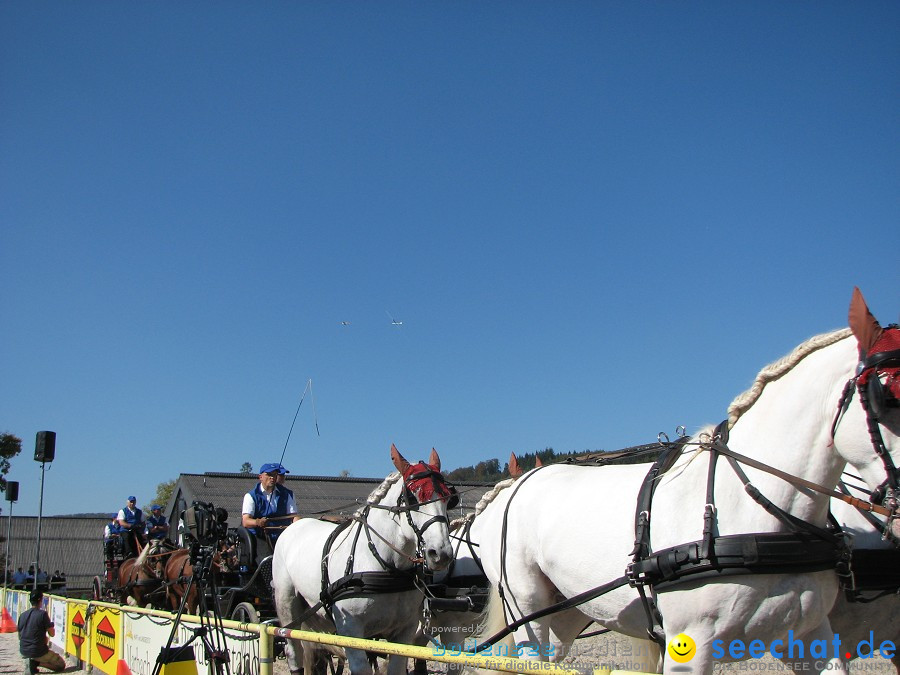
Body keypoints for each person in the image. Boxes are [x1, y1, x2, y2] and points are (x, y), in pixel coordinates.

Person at [241, 462, 299, 553]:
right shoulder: (250, 496)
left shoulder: (287, 494)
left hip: (282, 536)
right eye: (269, 475)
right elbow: (246, 521)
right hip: (260, 537)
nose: (272, 477)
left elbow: (293, 516)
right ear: (260, 477)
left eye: (275, 475)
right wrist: (258, 522)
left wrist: (301, 524)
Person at [17, 589, 67, 673]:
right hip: (38, 651)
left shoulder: (22, 615)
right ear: (41, 600)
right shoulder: (42, 614)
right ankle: (35, 663)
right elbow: (52, 634)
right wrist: (50, 625)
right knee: (61, 665)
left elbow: (20, 636)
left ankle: (32, 663)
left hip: (23, 650)